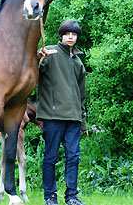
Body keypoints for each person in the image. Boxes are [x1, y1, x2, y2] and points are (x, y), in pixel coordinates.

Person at [36, 20, 88, 205]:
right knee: (50, 157)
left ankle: (71, 197)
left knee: (73, 157)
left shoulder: (78, 62)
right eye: (67, 34)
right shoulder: (49, 53)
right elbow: (32, 71)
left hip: (74, 119)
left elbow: (81, 95)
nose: (70, 37)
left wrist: (83, 121)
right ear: (61, 35)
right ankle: (50, 197)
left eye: (74, 34)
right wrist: (38, 58)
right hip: (53, 116)